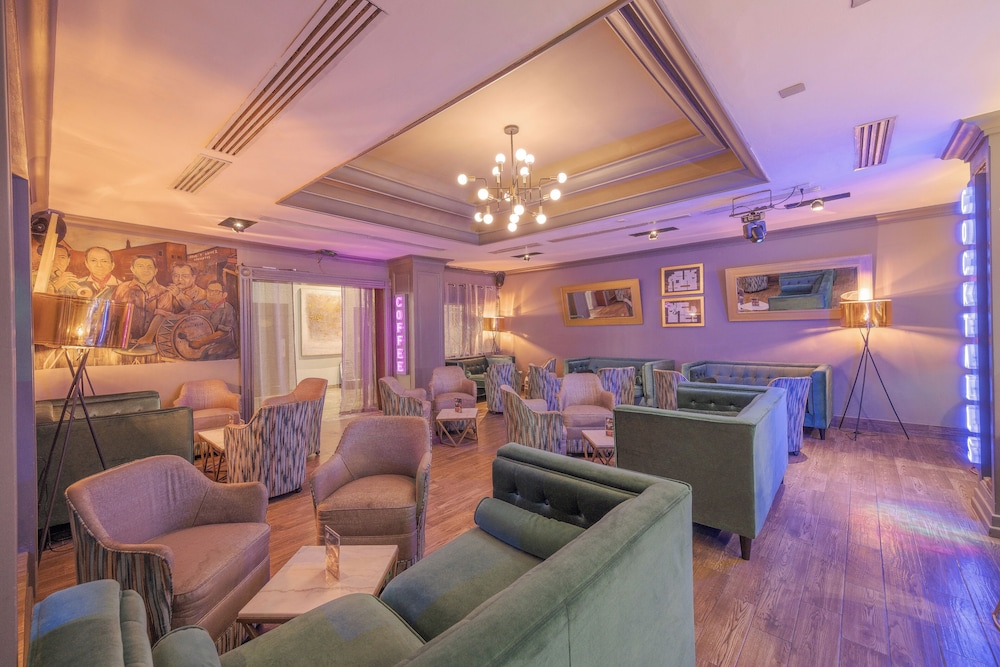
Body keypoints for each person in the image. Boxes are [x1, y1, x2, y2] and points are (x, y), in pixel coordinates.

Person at [112, 255, 172, 343]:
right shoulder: (122, 288)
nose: (145, 270)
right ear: (132, 269)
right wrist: (123, 334)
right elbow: (115, 314)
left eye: (149, 267)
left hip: (153, 342)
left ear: (155, 271)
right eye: (140, 266)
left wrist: (148, 337)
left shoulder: (164, 292)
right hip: (124, 340)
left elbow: (161, 315)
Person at [184, 280, 238, 359]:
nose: (211, 294)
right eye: (209, 291)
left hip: (221, 343)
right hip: (199, 340)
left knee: (208, 354)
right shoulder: (201, 303)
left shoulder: (227, 308)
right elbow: (184, 318)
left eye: (216, 292)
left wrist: (201, 342)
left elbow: (223, 333)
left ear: (224, 295)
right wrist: (191, 308)